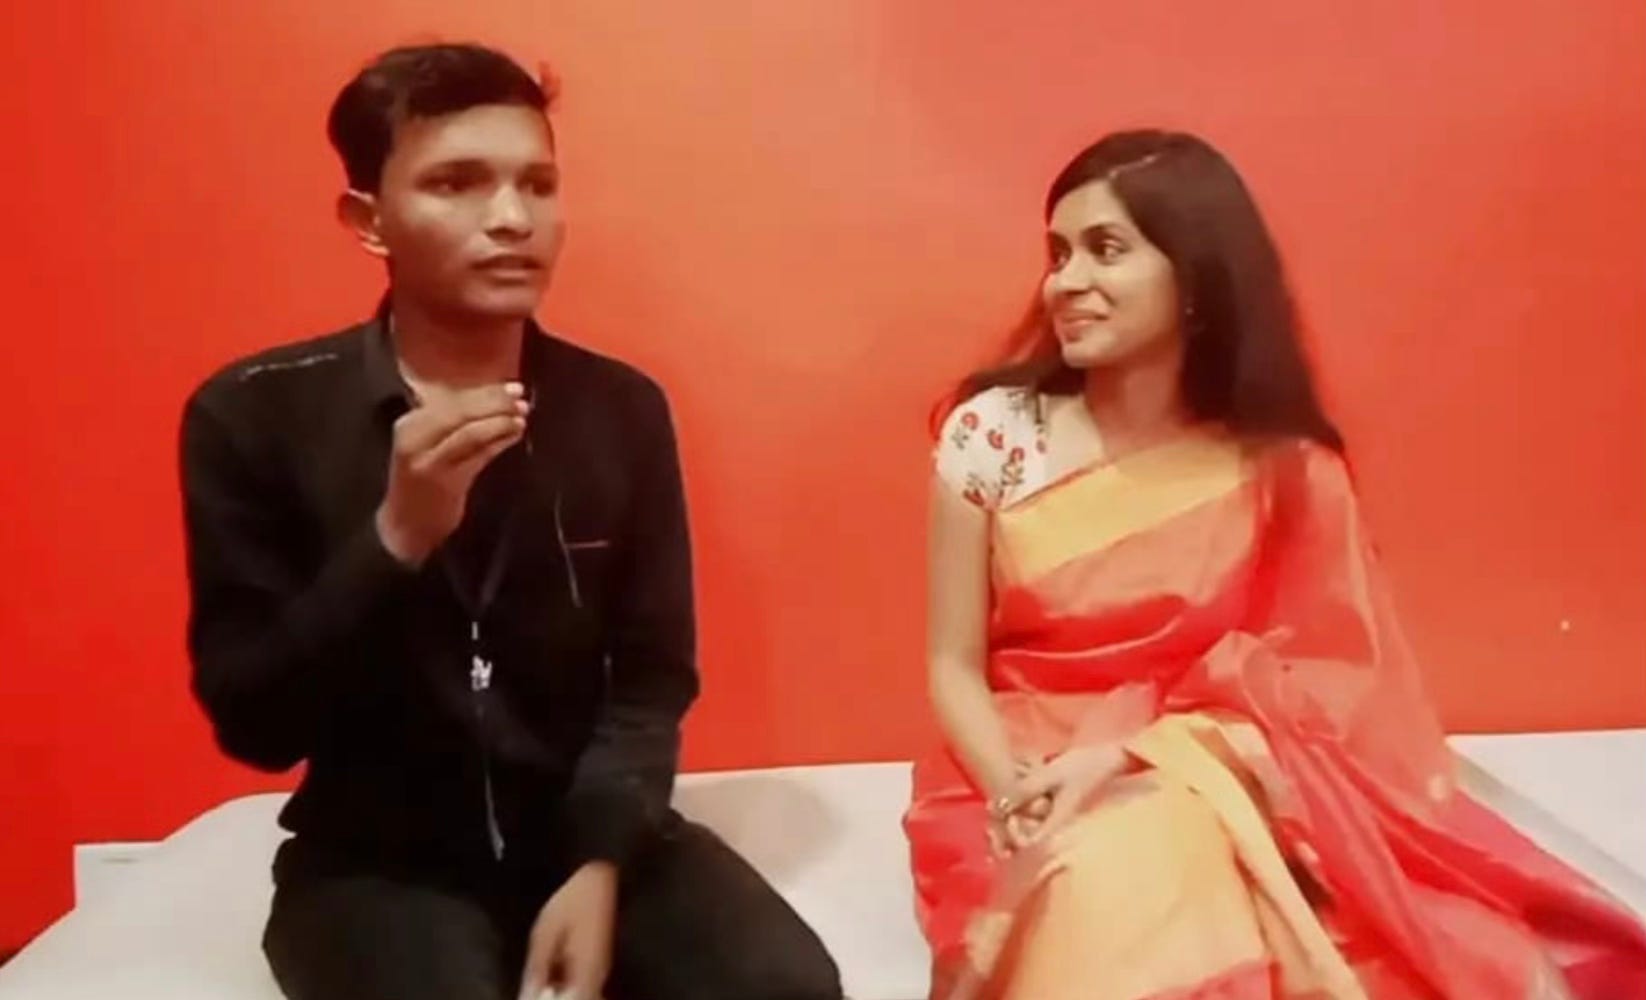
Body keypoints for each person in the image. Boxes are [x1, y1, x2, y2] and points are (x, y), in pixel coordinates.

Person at [903, 130, 1646, 999]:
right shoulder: (994, 437)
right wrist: (1013, 794)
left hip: (1200, 766)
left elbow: (1327, 681)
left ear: (1195, 281)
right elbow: (952, 664)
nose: (1065, 282)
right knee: (1090, 871)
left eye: (1106, 249)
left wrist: (1134, 756)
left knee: (1196, 866)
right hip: (1013, 763)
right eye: (1059, 253)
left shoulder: (1282, 468)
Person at [178, 43, 840, 1000]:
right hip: (379, 865)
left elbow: (651, 677)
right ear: (368, 220)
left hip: (590, 830)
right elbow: (256, 724)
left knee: (786, 989)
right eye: (457, 183)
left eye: (538, 183)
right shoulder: (252, 414)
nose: (512, 219)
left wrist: (599, 861)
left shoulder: (620, 409)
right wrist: (396, 537)